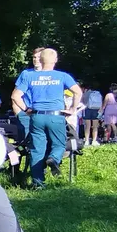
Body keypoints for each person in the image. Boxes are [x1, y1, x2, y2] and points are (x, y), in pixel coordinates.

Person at [12, 48, 81, 189]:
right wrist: (72, 109)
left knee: (37, 149)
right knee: (59, 144)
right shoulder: (62, 76)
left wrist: (26, 110)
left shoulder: (29, 76)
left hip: (36, 116)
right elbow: (77, 92)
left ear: (40, 60)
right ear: (55, 60)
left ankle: (38, 183)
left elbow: (15, 96)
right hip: (56, 116)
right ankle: (54, 159)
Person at [12, 48, 44, 144]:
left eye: (39, 57)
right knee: (26, 142)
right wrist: (18, 112)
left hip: (44, 113)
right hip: (26, 113)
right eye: (34, 57)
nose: (36, 59)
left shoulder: (50, 75)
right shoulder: (26, 74)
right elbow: (15, 94)